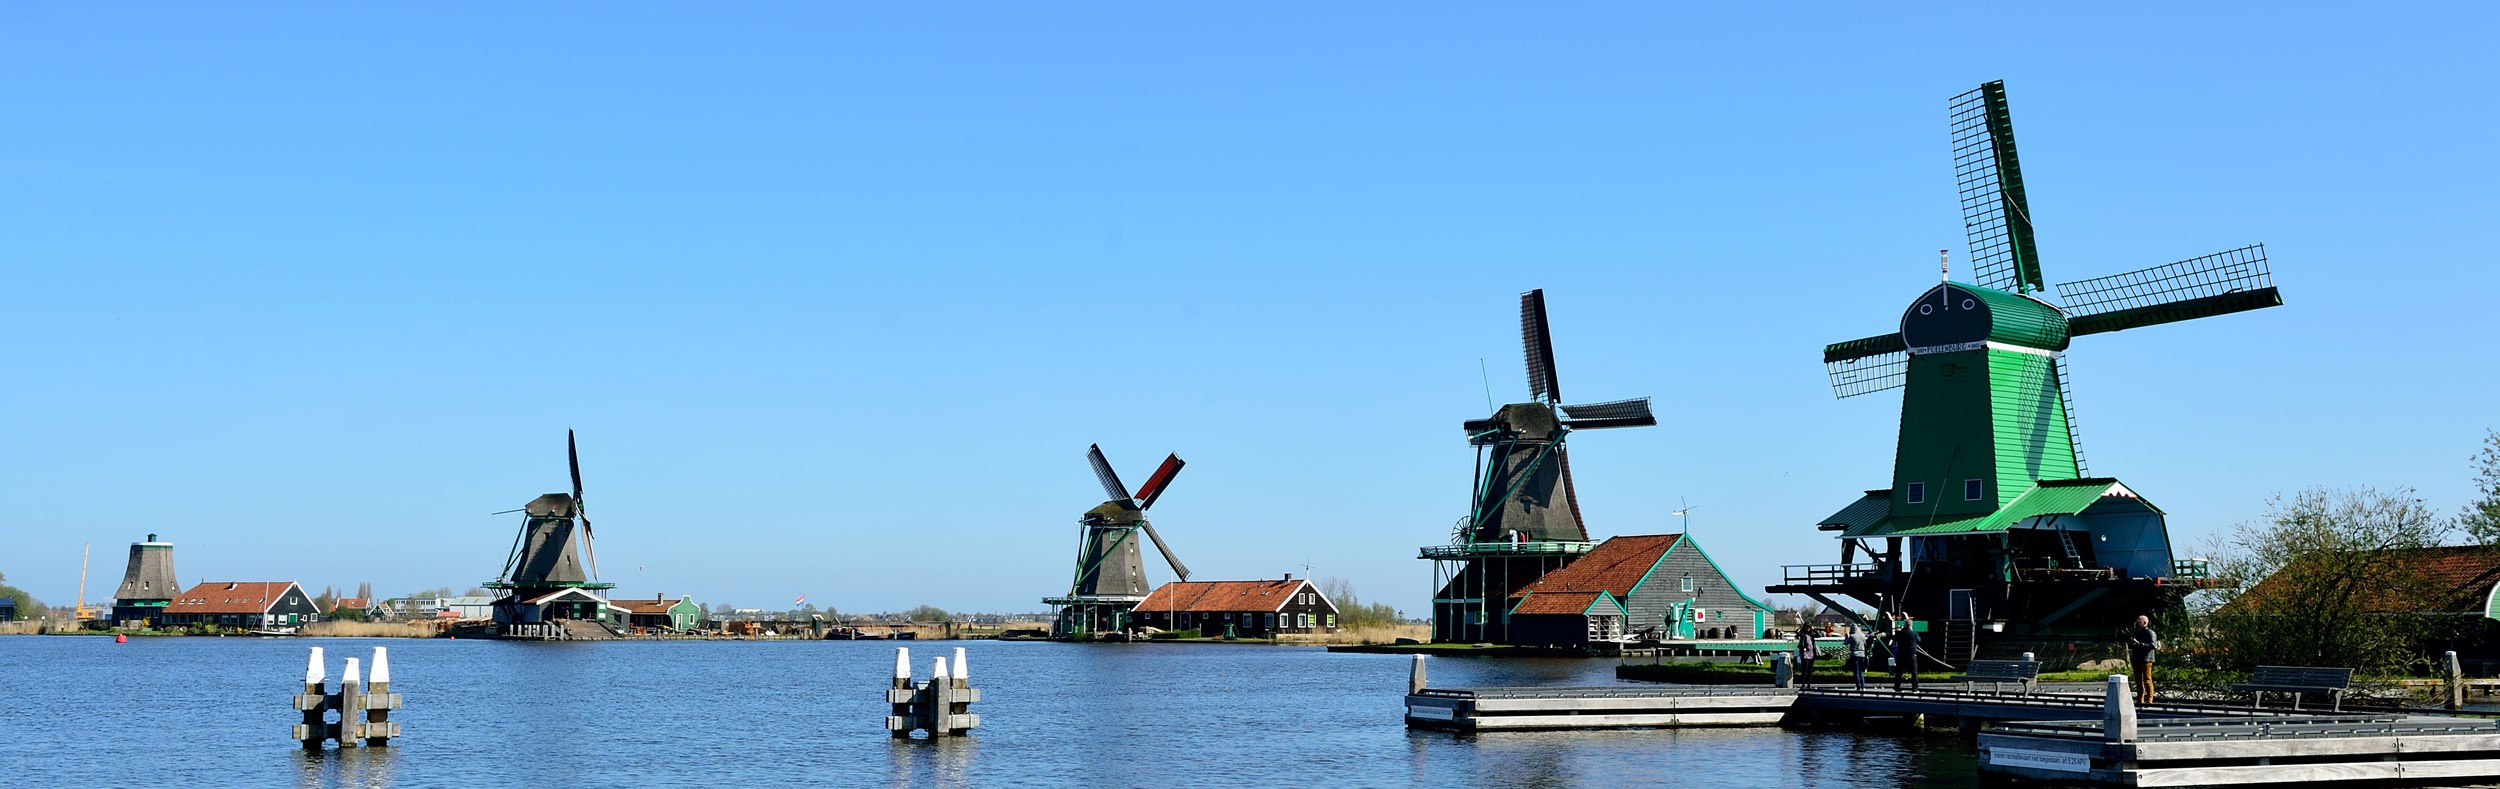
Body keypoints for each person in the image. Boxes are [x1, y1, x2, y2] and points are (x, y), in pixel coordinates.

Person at [2127, 614, 2160, 705]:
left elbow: (2153, 645)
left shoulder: (2150, 632)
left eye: (2139, 621)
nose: (2137, 622)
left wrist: (2139, 644)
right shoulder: (2137, 632)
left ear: (2145, 622)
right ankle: (2140, 699)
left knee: (2147, 680)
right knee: (2138, 681)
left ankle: (2149, 700)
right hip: (2137, 658)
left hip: (2146, 659)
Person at [1892, 614, 1921, 691]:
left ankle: (1896, 687)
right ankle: (1915, 688)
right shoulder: (1914, 633)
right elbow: (1919, 640)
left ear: (1904, 625)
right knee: (1914, 672)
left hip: (1902, 654)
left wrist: (1899, 630)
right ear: (1911, 625)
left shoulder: (1900, 633)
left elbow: (1894, 638)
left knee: (1899, 672)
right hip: (1912, 654)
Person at [1844, 624, 1869, 690]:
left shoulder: (1852, 636)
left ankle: (1858, 686)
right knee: (1861, 672)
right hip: (1862, 655)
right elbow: (1865, 644)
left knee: (1856, 672)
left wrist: (1846, 636)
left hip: (1854, 655)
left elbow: (1846, 643)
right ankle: (1863, 686)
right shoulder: (1863, 635)